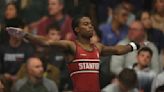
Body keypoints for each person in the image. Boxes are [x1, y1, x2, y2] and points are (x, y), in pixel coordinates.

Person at [6, 16, 139, 92]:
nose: (90, 26)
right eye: (86, 24)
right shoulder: (71, 46)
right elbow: (47, 42)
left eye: (91, 24)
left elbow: (118, 50)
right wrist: (25, 35)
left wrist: (136, 45)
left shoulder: (98, 47)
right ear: (77, 29)